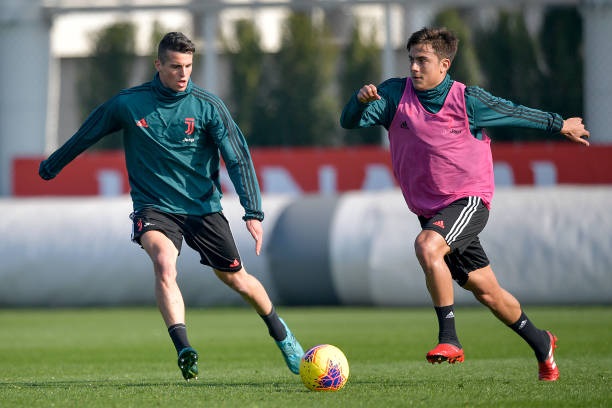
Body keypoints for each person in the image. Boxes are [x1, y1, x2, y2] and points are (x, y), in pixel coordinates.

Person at [39, 31, 304, 381]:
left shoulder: (207, 106)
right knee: (165, 264)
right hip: (154, 207)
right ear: (158, 64)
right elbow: (86, 134)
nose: (184, 74)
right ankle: (184, 347)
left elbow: (237, 157)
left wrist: (252, 212)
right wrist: (51, 166)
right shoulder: (128, 104)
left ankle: (282, 335)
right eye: (176, 66)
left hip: (202, 208)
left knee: (235, 278)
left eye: (189, 66)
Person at [340, 27, 590, 382]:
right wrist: (358, 101)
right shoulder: (395, 93)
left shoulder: (467, 100)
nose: (413, 67)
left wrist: (559, 124)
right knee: (487, 291)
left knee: (427, 247)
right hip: (432, 211)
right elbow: (347, 122)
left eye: (422, 60)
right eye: (411, 59)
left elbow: (514, 112)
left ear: (444, 64)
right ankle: (541, 342)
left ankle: (449, 339)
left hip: (469, 201)